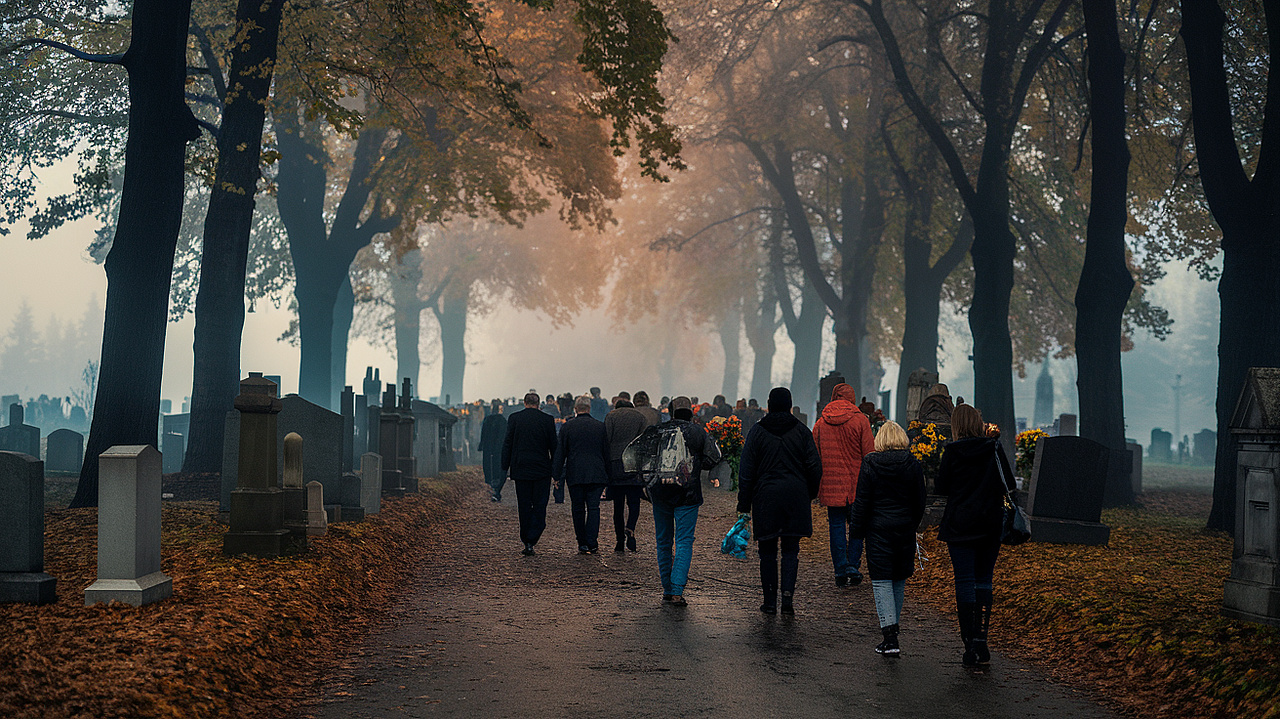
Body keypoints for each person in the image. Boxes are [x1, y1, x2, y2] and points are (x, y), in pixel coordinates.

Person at [936, 404, 1015, 667]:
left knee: (964, 580)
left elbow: (942, 486)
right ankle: (981, 638)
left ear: (957, 426)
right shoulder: (992, 449)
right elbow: (1010, 484)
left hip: (960, 524)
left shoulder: (952, 451)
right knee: (984, 579)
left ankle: (968, 641)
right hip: (989, 523)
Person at [737, 387, 822, 615]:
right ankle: (787, 598)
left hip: (766, 496)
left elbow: (746, 471)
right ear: (790, 404)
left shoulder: (757, 432)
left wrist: (744, 504)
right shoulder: (802, 432)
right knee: (791, 549)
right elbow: (815, 466)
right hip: (795, 495)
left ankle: (769, 600)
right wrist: (810, 493)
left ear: (769, 404)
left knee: (767, 550)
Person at [849, 421, 926, 655]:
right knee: (899, 579)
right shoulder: (912, 464)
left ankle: (890, 636)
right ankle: (893, 631)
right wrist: (913, 523)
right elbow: (919, 499)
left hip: (878, 529)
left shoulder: (870, 463)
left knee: (882, 580)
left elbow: (862, 501)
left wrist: (856, 531)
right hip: (903, 528)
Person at [646, 396, 721, 607]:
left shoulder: (659, 430)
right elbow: (713, 457)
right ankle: (677, 591)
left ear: (671, 412)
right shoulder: (698, 432)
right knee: (684, 541)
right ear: (691, 412)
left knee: (663, 541)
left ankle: (667, 589)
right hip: (687, 494)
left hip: (660, 492)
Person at [812, 383, 876, 586]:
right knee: (857, 526)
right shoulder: (861, 421)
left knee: (836, 526)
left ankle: (840, 568)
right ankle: (853, 566)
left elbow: (815, 454)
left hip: (831, 484)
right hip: (858, 484)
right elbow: (869, 454)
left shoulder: (821, 422)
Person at [502, 392, 559, 556]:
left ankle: (527, 540)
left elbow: (508, 443)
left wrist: (505, 466)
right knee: (540, 504)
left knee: (524, 505)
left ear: (524, 403)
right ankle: (534, 533)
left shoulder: (514, 418)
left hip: (521, 468)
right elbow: (553, 446)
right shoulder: (547, 420)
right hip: (541, 468)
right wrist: (556, 470)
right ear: (538, 403)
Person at [554, 396, 611, 554]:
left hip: (575, 473)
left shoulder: (567, 427)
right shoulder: (600, 427)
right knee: (594, 508)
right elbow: (607, 453)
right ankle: (592, 541)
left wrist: (556, 475)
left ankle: (582, 542)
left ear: (575, 408)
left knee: (578, 508)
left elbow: (560, 453)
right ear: (589, 408)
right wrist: (609, 475)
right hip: (596, 473)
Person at [604, 397, 648, 552]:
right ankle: (630, 528)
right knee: (634, 503)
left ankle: (619, 541)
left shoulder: (611, 416)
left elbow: (606, 440)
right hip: (634, 464)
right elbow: (644, 442)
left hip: (615, 464)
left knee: (618, 507)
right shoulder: (640, 417)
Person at [478, 400, 508, 501]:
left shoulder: (487, 419)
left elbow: (483, 434)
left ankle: (493, 489)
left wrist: (482, 445)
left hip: (488, 448)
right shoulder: (503, 421)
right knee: (498, 470)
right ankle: (496, 490)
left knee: (489, 469)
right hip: (499, 449)